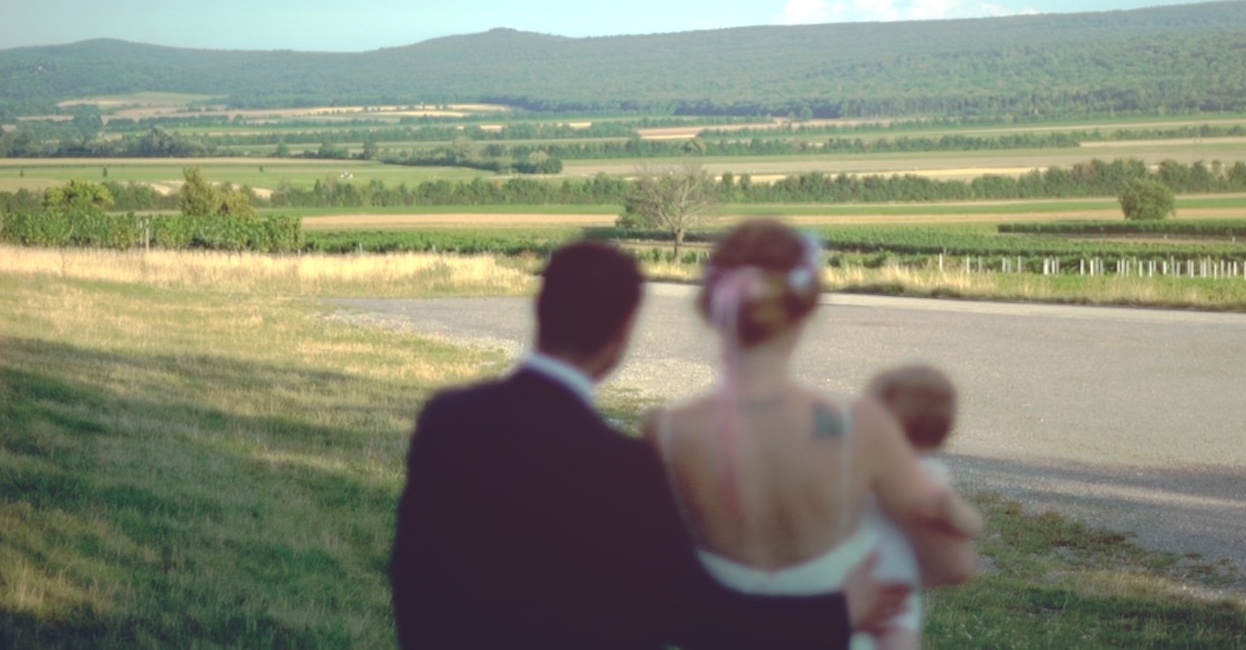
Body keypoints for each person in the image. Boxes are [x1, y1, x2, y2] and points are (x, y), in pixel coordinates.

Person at [389, 239, 906, 649]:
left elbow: (416, 575)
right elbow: (698, 615)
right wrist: (839, 610)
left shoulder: (447, 419)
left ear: (539, 310)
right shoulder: (621, 469)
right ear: (623, 332)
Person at [646, 220, 981, 650]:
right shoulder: (861, 426)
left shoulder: (666, 431)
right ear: (806, 310)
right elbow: (953, 564)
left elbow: (652, 580)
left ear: (710, 307)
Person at [860, 365, 979, 650]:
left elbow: (972, 527)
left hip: (890, 585)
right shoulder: (874, 463)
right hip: (882, 580)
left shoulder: (925, 476)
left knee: (896, 635)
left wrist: (950, 512)